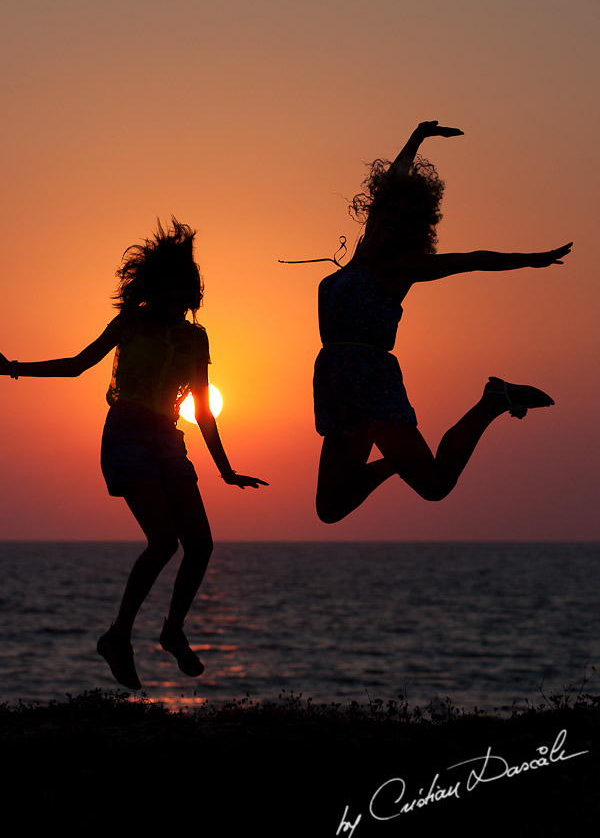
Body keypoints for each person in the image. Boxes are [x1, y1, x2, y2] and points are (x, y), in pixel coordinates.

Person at [1, 218, 267, 688]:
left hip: (168, 437)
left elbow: (204, 409)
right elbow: (78, 365)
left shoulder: (195, 337)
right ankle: (117, 638)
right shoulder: (130, 323)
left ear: (191, 292)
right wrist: (13, 368)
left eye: (183, 286)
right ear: (153, 287)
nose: (175, 293)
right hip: (126, 434)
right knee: (164, 540)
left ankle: (172, 631)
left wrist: (226, 470)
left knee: (200, 544)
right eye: (167, 284)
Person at [313, 121, 572, 524]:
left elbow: (471, 260)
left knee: (434, 485)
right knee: (329, 508)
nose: (393, 221)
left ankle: (492, 402)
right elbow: (394, 181)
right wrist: (416, 137)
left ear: (415, 229)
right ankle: (400, 461)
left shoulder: (401, 266)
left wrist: (530, 259)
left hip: (370, 384)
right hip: (335, 383)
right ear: (376, 210)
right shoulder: (363, 252)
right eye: (389, 212)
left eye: (405, 218)